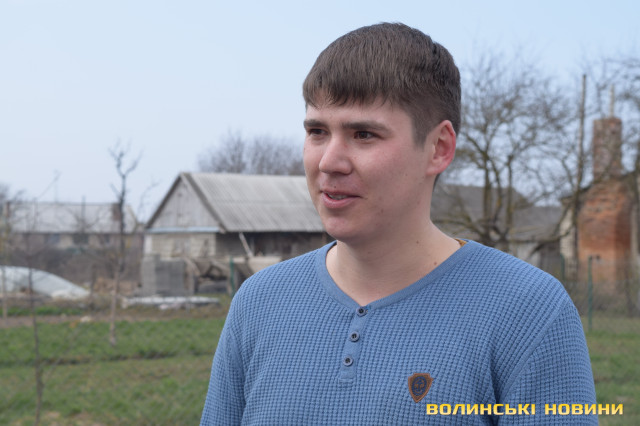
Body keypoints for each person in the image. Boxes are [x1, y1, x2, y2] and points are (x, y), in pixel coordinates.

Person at [201, 23, 597, 424]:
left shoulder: (529, 311)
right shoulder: (259, 303)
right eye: (317, 131)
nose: (329, 162)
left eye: (363, 134)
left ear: (438, 148)